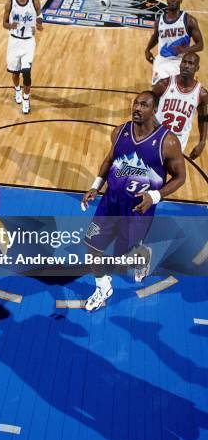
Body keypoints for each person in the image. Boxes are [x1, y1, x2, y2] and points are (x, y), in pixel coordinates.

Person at [81, 91, 186, 311]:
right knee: (91, 246)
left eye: (144, 105)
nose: (137, 108)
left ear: (154, 110)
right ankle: (103, 287)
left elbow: (180, 177)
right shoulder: (120, 132)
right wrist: (95, 185)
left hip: (139, 208)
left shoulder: (167, 142)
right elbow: (110, 160)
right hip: (110, 203)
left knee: (123, 256)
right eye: (136, 103)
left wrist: (154, 196)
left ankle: (143, 254)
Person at [154, 52, 208, 159]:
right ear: (180, 64)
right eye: (184, 62)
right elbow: (148, 107)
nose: (186, 66)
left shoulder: (201, 94)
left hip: (177, 144)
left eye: (191, 63)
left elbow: (203, 118)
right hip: (155, 138)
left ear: (197, 68)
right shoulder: (163, 84)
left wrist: (202, 142)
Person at [145, 0, 204, 85]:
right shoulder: (159, 20)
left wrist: (185, 50)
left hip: (179, 63)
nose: (173, 0)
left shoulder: (189, 20)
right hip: (161, 62)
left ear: (180, 1)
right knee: (157, 92)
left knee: (176, 93)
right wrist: (147, 50)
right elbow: (155, 36)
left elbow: (200, 45)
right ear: (167, 1)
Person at [2, 0, 43, 114]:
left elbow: (40, 15)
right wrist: (10, 25)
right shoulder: (10, 3)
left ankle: (26, 100)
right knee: (15, 72)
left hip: (28, 42)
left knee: (26, 72)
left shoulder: (35, 2)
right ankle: (17, 90)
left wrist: (39, 24)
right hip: (14, 41)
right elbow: (4, 24)